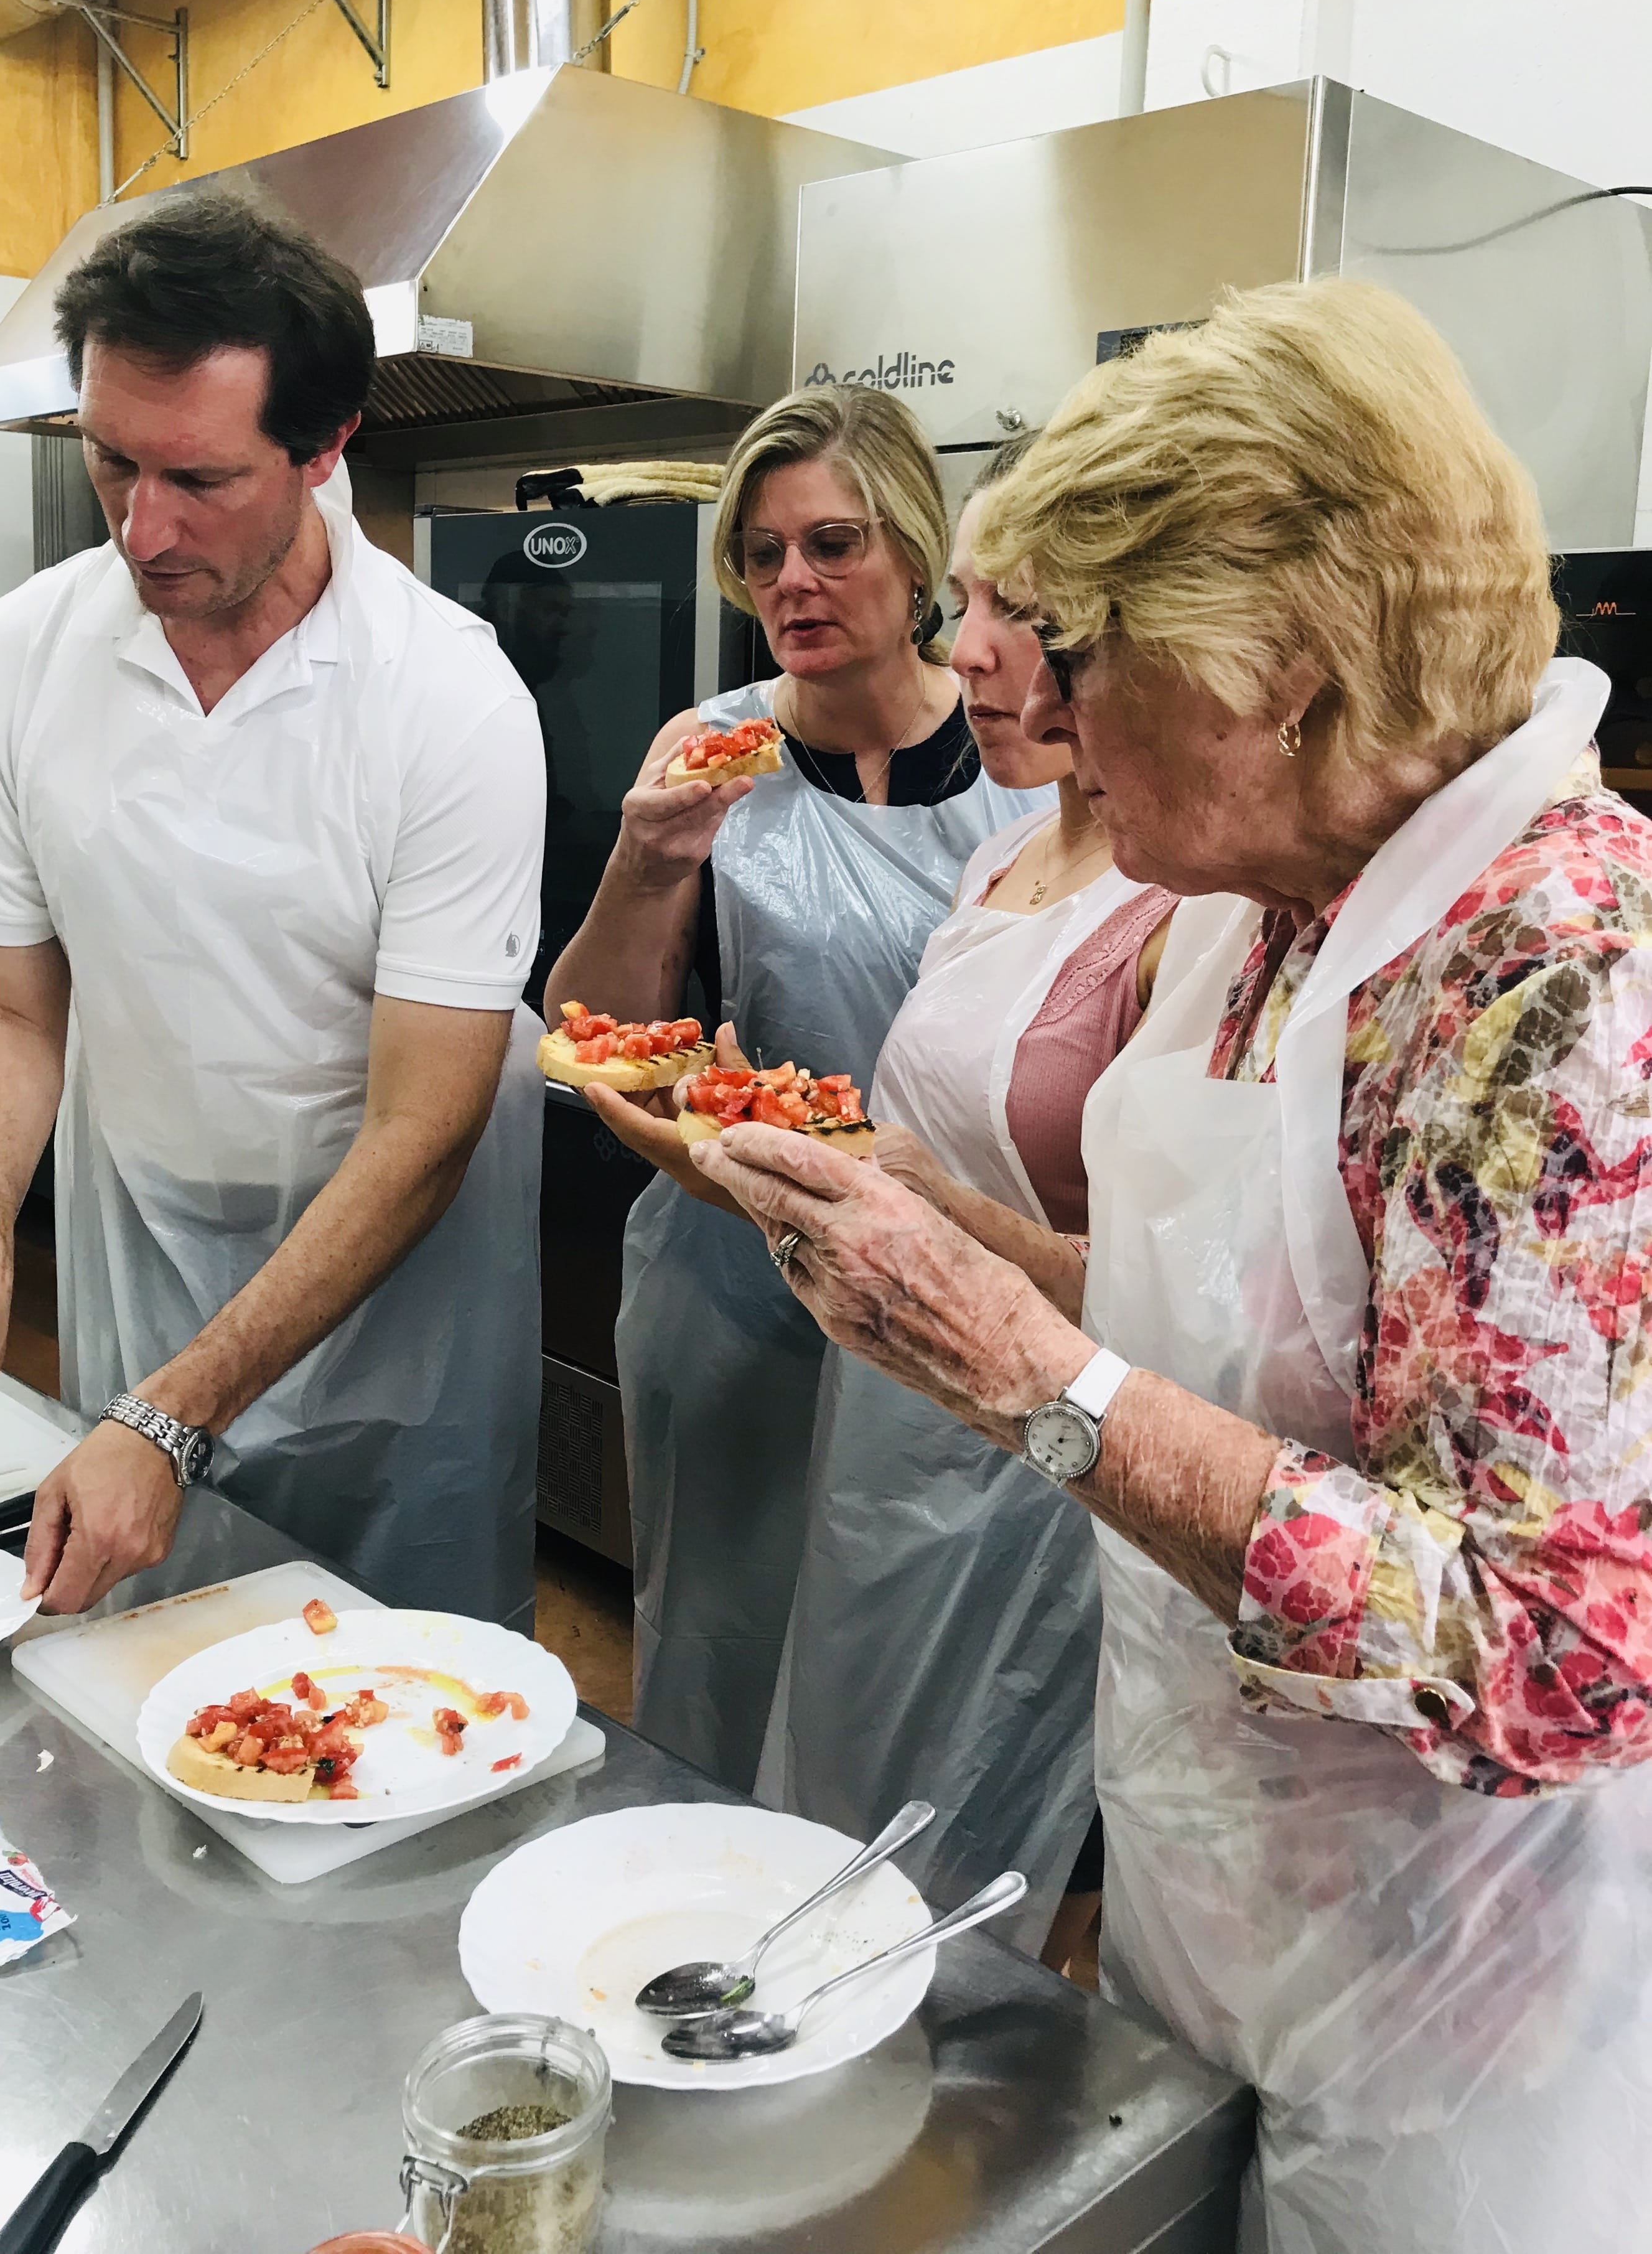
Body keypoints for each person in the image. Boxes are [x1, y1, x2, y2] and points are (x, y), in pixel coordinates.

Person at [695, 279, 1652, 2252]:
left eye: (1072, 646)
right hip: (1214, 1869)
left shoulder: (1553, 986)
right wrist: (923, 1232)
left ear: (1278, 670)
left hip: (1450, 1982)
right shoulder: (1254, 891)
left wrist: (1022, 1385)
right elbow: (1216, 1309)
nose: (1016, 698)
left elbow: (1550, 1654)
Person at [0, 191, 548, 1624]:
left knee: (392, 1698)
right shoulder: (25, 654)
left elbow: (425, 1127)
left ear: (324, 449)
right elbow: (1, 998)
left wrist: (177, 1418)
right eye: (113, 464)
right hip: (148, 1243)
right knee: (148, 1666)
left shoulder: (449, 695)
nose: (142, 528)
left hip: (398, 1293)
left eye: (200, 479)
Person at [544, 386, 1046, 1784]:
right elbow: (603, 1032)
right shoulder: (715, 754)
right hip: (736, 1268)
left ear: (914, 553)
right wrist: (648, 864)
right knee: (723, 1628)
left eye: (832, 543)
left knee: (923, 1663)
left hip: (966, 1269)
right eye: (763, 556)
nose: (793, 582)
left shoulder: (1030, 761)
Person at [755, 436, 1175, 1966]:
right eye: (974, 600)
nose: (973, 649)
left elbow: (1170, 1286)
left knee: (993, 1839)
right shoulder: (1006, 850)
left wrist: (931, 1213)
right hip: (886, 1405)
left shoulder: (1187, 897)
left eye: (1025, 615)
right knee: (844, 1783)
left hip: (1043, 1441)